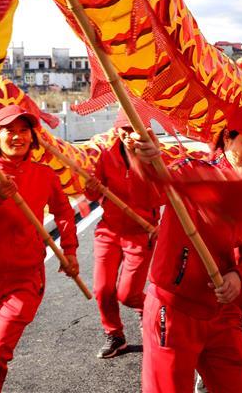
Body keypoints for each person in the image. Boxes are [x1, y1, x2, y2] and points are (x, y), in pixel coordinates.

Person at [132, 105, 242, 393]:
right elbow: (147, 194)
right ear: (227, 139)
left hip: (221, 312)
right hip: (173, 309)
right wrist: (143, 163)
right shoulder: (191, 172)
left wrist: (238, 274)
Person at [0, 104, 79, 393]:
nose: (17, 136)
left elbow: (63, 211)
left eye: (24, 130)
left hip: (26, 276)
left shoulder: (45, 174)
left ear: (32, 136)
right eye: (9, 130)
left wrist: (70, 249)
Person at [84, 112, 160, 359]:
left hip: (141, 232)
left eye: (133, 129)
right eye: (123, 129)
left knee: (127, 294)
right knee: (102, 289)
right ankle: (115, 334)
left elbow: (164, 194)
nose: (128, 135)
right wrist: (91, 187)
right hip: (109, 231)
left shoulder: (155, 157)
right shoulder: (105, 156)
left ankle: (149, 308)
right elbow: (92, 196)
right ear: (116, 131)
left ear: (145, 129)